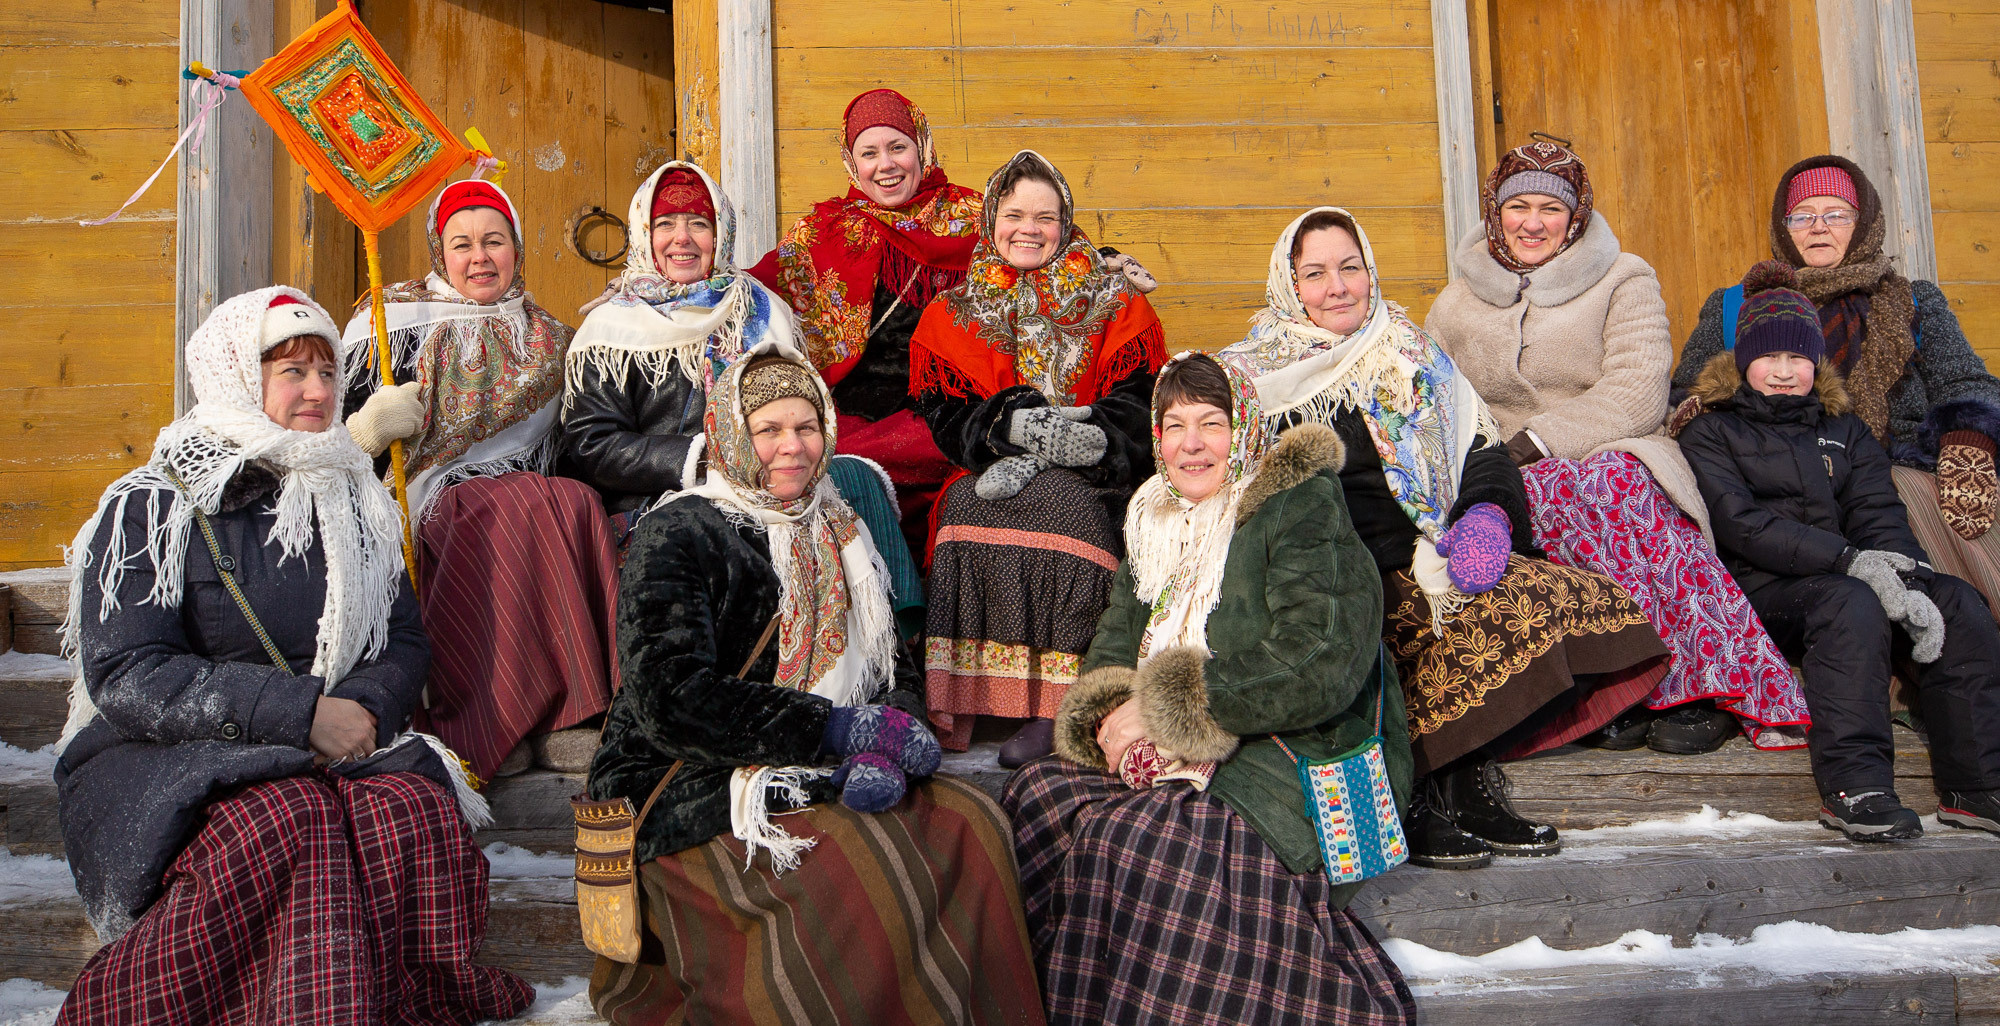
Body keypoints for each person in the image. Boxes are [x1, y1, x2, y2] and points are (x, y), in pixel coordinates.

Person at [53, 288, 531, 1025]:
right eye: (291, 373)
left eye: (326, 372)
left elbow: (400, 639)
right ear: (239, 375)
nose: (317, 391)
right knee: (286, 821)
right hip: (170, 756)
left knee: (408, 811)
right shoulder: (155, 504)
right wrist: (300, 715)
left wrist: (361, 712)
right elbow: (126, 672)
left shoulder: (353, 494)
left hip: (334, 747)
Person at [585, 342, 1046, 1025]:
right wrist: (837, 731)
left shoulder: (843, 525)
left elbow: (896, 658)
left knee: (972, 824)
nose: (791, 447)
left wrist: (893, 725)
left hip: (830, 762)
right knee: (856, 875)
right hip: (696, 779)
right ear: (731, 435)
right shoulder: (679, 533)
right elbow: (670, 700)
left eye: (806, 427)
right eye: (768, 429)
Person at [1219, 207, 1668, 869]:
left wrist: (1487, 516)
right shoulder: (1252, 381)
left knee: (1544, 594)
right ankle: (1416, 794)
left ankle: (1466, 781)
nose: (1338, 286)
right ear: (1289, 285)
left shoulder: (1411, 350)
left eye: (1351, 267)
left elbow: (1479, 448)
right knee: (1403, 630)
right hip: (1341, 569)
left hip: (1438, 547)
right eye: (1315, 274)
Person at [1005, 352, 1417, 1025]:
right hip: (1178, 753)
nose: (1190, 444)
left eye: (1211, 423)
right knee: (1041, 799)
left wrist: (1170, 708)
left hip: (1306, 752)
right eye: (1173, 425)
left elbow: (1320, 658)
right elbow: (1116, 639)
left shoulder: (1298, 506)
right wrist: (1113, 713)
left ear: (1246, 428)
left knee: (1143, 842)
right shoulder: (1153, 517)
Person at [1426, 142, 1806, 754]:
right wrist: (1494, 458)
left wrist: (1541, 440)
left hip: (1615, 447)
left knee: (1608, 485)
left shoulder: (1623, 277)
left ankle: (1707, 684)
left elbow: (1637, 389)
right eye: (1516, 206)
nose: (1531, 223)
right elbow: (1434, 399)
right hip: (1500, 468)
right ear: (1495, 214)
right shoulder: (1455, 302)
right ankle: (1622, 683)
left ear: (1574, 216)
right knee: (1532, 500)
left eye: (1549, 208)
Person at [1676, 261, 2000, 840]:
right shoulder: (1713, 431)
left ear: (1815, 363)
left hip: (1849, 575)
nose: (1782, 372)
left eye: (1797, 358)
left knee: (1956, 601)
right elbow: (1742, 526)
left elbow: (1877, 512)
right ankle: (1857, 786)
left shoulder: (1844, 429)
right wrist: (1852, 564)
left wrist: (1905, 572)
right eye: (1768, 358)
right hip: (1761, 591)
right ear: (1742, 361)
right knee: (1850, 604)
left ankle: (1976, 786)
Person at [562, 160, 923, 633]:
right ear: (644, 234)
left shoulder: (761, 309)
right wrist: (702, 459)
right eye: (666, 224)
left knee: (856, 479)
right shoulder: (611, 327)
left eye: (699, 223)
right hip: (670, 489)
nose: (682, 238)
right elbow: (592, 442)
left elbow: (800, 403)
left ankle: (892, 649)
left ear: (722, 232)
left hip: (767, 473)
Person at [342, 179, 620, 783]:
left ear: (517, 250)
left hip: (524, 495)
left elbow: (569, 443)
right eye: (462, 244)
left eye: (494, 241)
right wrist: (373, 422)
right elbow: (341, 439)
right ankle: (490, 719)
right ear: (441, 253)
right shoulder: (389, 321)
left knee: (574, 500)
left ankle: (569, 716)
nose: (479, 257)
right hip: (424, 494)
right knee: (506, 507)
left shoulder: (548, 336)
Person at [909, 149, 1169, 763]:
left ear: (1066, 223)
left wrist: (1095, 438)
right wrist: (1008, 425)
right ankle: (970, 695)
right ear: (991, 218)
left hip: (1093, 475)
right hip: (992, 468)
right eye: (1014, 214)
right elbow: (944, 416)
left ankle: (1056, 707)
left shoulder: (1113, 301)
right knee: (967, 510)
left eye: (1046, 217)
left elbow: (1142, 401)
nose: (1029, 229)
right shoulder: (953, 311)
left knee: (1060, 505)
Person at [1676, 156, 2000, 622]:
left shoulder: (1911, 298)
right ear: (1784, 228)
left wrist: (1968, 441)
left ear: (1863, 223)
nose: (1818, 228)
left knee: (1930, 520)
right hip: (1776, 472)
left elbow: (1967, 380)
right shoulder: (1738, 304)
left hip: (1893, 466)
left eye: (1837, 215)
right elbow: (1689, 388)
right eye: (1803, 217)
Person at [749, 88, 982, 554]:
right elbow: (752, 287)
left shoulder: (977, 218)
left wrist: (1106, 264)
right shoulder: (828, 229)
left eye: (898, 147)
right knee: (822, 462)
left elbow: (1042, 237)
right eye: (869, 153)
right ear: (852, 162)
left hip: (947, 407)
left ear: (923, 148)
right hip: (858, 413)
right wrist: (660, 286)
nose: (886, 165)